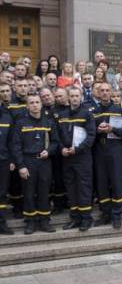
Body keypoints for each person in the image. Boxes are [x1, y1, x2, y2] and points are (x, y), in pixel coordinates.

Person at [11, 93, 60, 235]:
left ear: (41, 104)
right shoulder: (21, 122)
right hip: (28, 161)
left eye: (37, 102)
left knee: (44, 191)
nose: (34, 105)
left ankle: (45, 220)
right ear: (27, 106)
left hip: (44, 161)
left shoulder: (48, 122)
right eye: (31, 102)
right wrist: (21, 166)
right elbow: (16, 146)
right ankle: (30, 221)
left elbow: (55, 142)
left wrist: (49, 151)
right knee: (29, 192)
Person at [92, 81, 122, 229]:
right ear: (98, 93)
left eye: (108, 90)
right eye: (102, 90)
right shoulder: (93, 111)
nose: (105, 93)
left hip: (115, 150)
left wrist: (113, 129)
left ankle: (117, 214)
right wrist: (98, 131)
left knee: (116, 182)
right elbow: (88, 133)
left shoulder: (119, 111)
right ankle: (105, 214)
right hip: (99, 151)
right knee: (101, 184)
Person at [58, 86, 96, 231]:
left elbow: (91, 136)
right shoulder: (63, 115)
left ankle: (86, 218)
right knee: (71, 188)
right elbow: (58, 136)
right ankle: (75, 218)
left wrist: (78, 149)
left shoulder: (87, 114)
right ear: (68, 97)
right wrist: (62, 148)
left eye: (76, 96)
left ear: (81, 97)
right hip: (67, 158)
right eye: (72, 95)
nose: (74, 98)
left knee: (84, 188)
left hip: (82, 158)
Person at [0, 83, 14, 235]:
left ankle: (1, 223)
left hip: (3, 160)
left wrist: (11, 160)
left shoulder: (6, 115)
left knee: (2, 192)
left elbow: (11, 141)